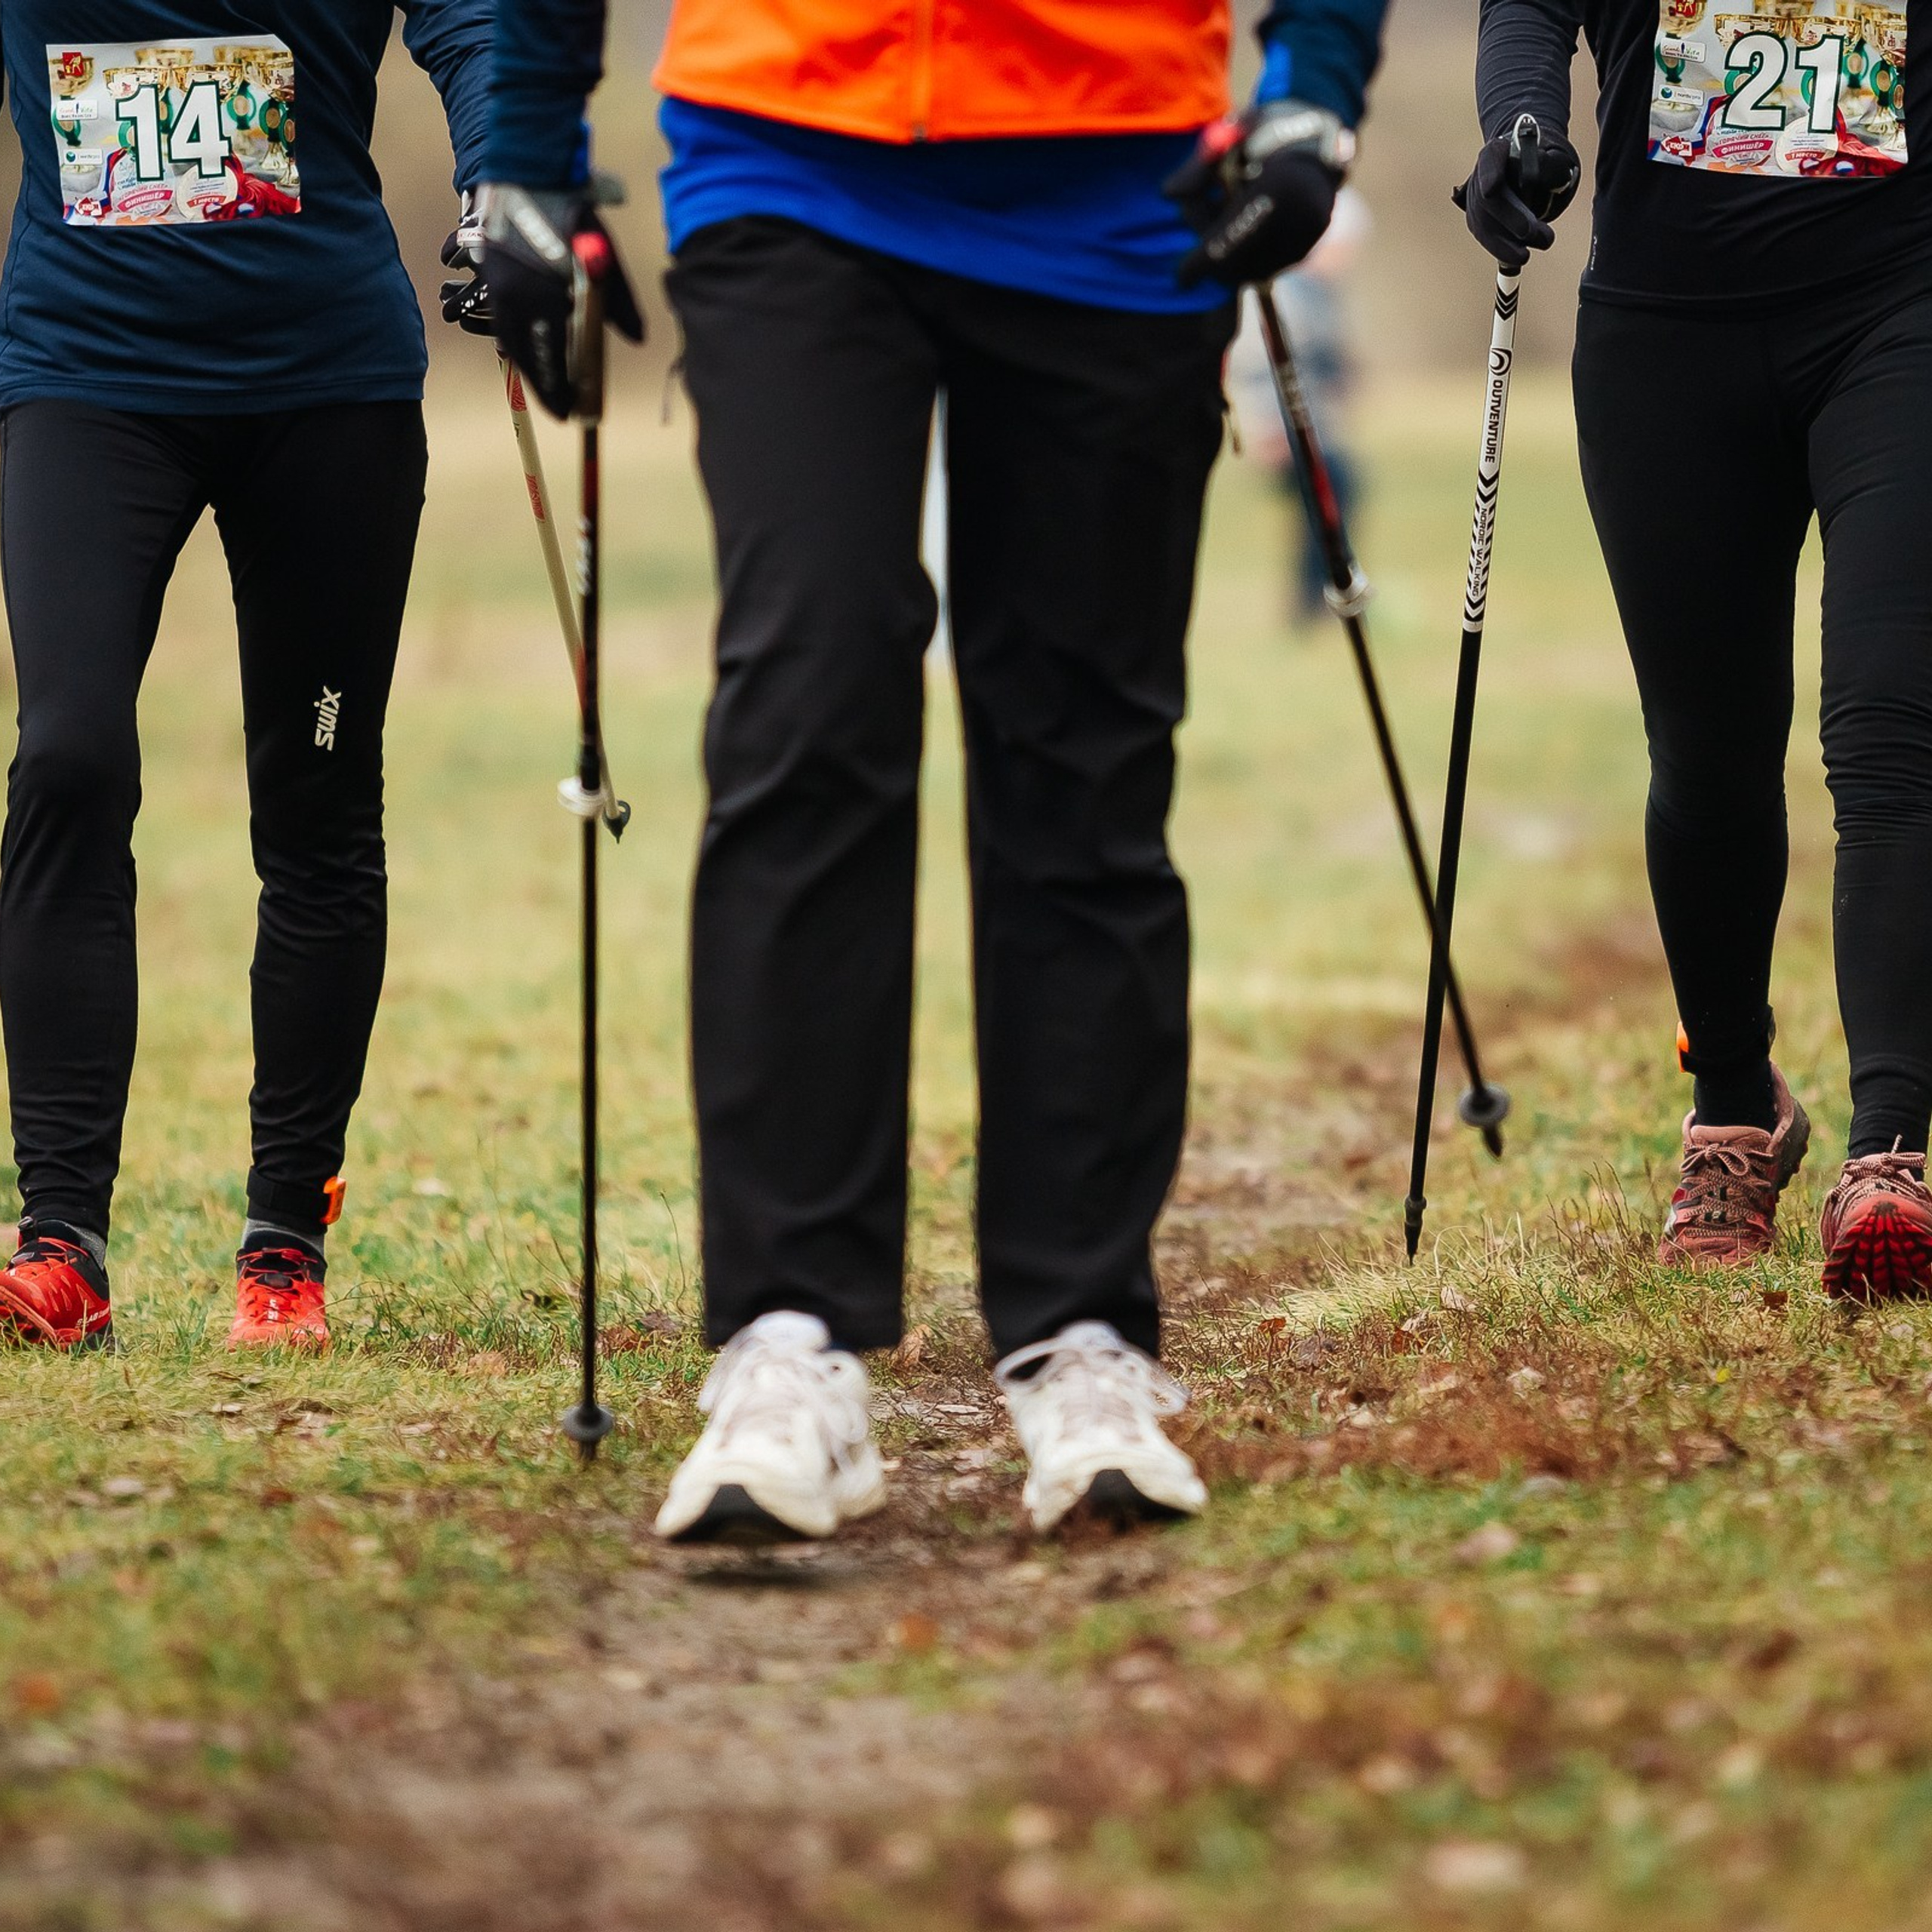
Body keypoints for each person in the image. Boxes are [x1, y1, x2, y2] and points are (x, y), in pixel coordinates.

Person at [485, 0, 1389, 1540]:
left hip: (1117, 183)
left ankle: (1082, 1334)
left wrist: (1308, 95)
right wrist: (516, 155)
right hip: (789, 160)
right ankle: (785, 1340)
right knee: (803, 706)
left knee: (1081, 756)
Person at [0, 8, 493, 1353]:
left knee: (318, 799)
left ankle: (287, 1246)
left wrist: (504, 175)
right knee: (68, 755)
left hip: (323, 387)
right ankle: (61, 1247)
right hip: (87, 379)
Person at [1458, 0, 1932, 1298]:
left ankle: (1891, 1148)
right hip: (1665, 337)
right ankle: (1734, 1107)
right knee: (1712, 752)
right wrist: (1524, 123)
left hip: (1900, 310)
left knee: (1892, 727)